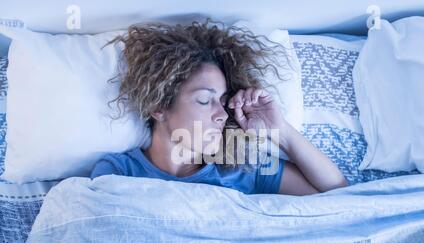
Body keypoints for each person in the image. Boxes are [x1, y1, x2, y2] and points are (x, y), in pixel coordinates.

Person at [91, 19, 348, 196]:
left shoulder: (240, 168)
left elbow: (338, 196)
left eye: (224, 102)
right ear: (159, 107)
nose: (222, 115)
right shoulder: (119, 172)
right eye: (205, 100)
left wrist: (280, 131)